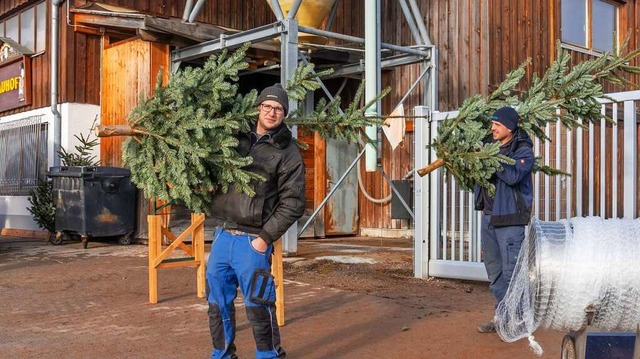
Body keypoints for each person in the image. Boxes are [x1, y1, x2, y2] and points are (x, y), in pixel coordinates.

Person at [206, 83, 306, 358]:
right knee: (217, 302)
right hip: (222, 235)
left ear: (284, 114)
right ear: (258, 107)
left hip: (253, 242)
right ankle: (222, 354)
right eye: (267, 106)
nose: (272, 112)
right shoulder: (234, 138)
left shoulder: (288, 152)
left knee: (259, 304)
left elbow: (294, 203)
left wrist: (264, 240)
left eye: (278, 109)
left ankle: (269, 355)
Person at [474, 106, 533, 333]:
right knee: (495, 272)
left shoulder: (523, 150)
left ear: (509, 127)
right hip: (489, 217)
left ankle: (518, 321)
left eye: (497, 125)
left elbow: (512, 175)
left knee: (512, 273)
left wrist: (491, 157)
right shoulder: (490, 145)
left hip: (510, 220)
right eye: (492, 124)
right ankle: (501, 317)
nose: (493, 128)